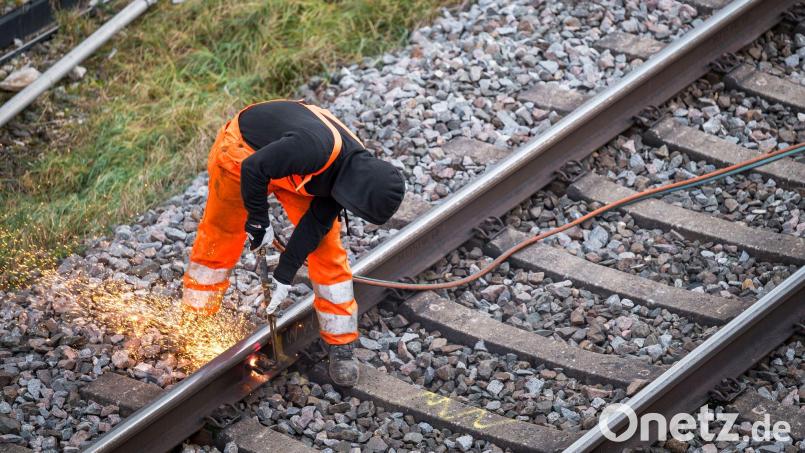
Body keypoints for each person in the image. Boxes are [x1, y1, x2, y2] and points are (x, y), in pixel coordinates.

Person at [181, 99, 405, 386]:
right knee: (221, 238)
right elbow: (253, 168)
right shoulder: (313, 149)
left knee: (328, 252)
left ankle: (341, 343)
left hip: (295, 168)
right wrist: (259, 221)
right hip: (243, 153)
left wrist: (284, 275)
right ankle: (196, 320)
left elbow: (313, 228)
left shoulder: (352, 174)